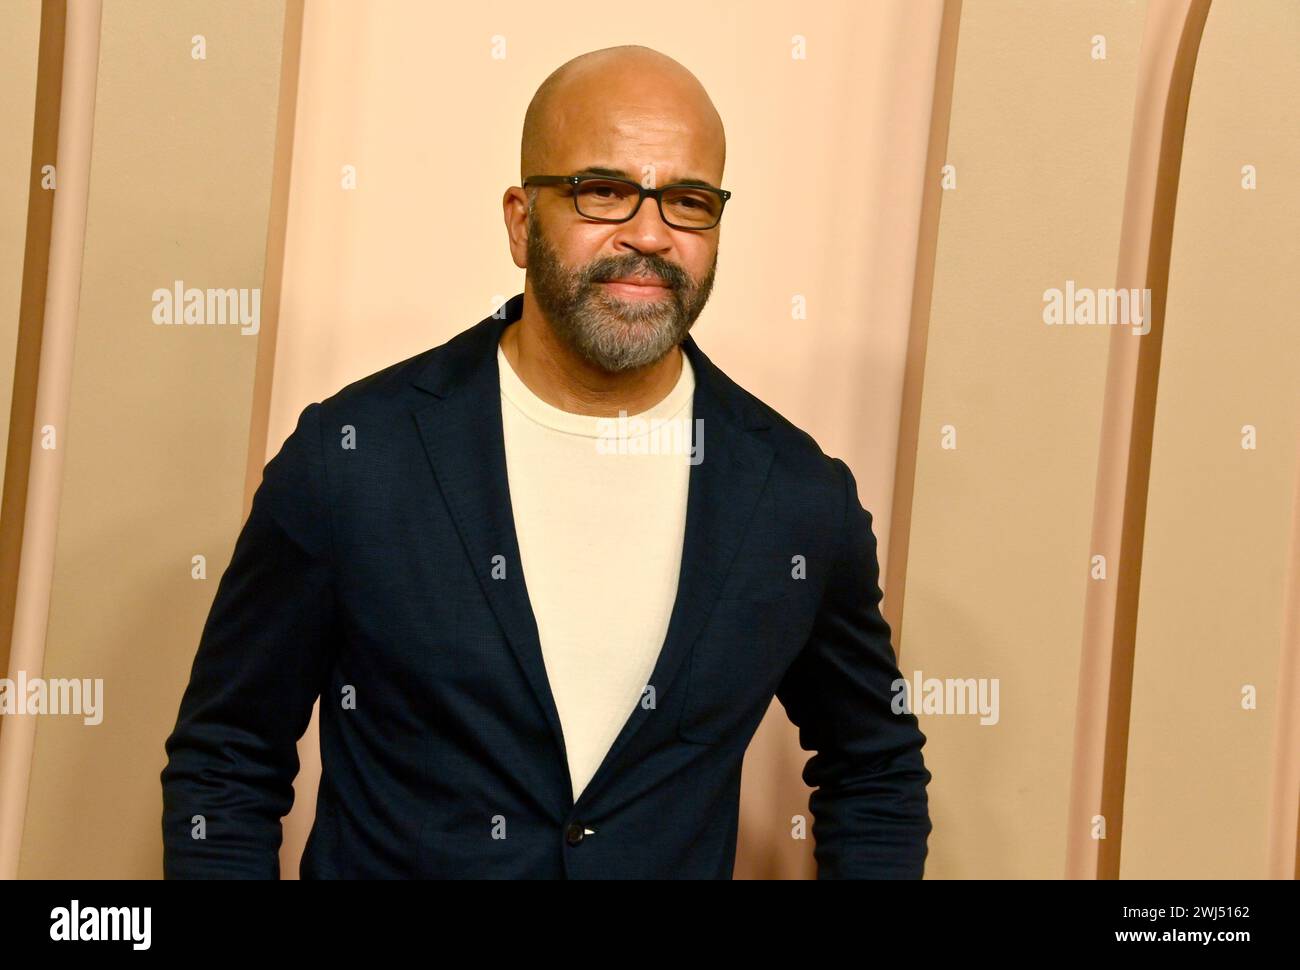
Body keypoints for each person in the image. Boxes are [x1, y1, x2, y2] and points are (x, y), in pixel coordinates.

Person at [160, 44, 931, 879]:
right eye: (603, 191)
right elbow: (227, 758)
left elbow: (875, 770)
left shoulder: (795, 498)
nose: (649, 234)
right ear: (522, 221)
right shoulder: (353, 459)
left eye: (688, 200)